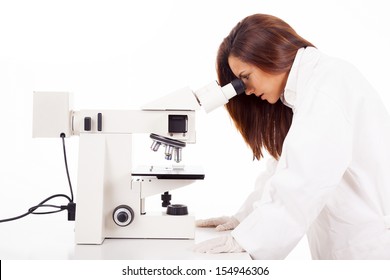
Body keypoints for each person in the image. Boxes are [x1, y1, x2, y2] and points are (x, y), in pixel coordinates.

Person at [193, 13, 390, 259]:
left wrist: (250, 238)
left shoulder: (328, 86)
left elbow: (303, 180)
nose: (248, 90)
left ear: (269, 54)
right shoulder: (309, 90)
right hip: (346, 247)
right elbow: (282, 171)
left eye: (245, 77)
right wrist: (243, 219)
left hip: (368, 252)